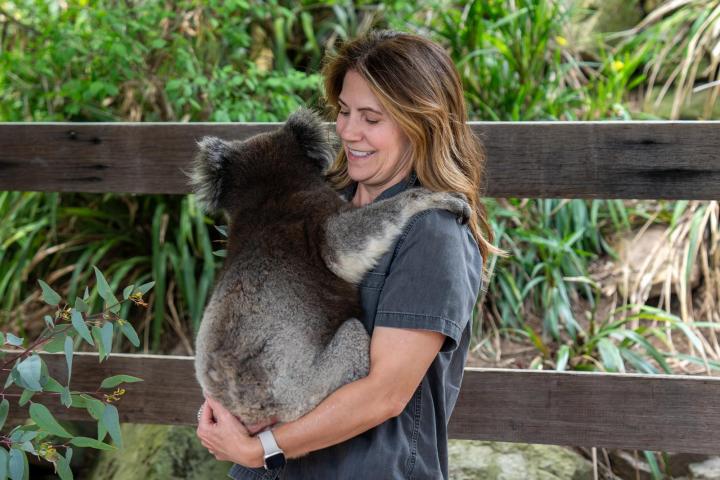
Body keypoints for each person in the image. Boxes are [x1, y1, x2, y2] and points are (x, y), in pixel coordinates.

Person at [196, 29, 498, 479]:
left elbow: (384, 394)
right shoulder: (309, 203)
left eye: (371, 118)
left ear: (421, 123)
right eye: (343, 111)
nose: (348, 131)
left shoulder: (433, 233)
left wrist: (262, 449)